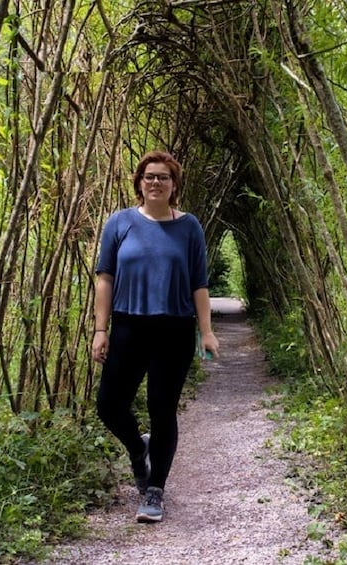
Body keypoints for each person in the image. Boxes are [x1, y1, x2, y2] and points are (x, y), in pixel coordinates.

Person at [92, 150, 220, 523]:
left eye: (163, 177)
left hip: (174, 329)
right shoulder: (119, 223)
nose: (155, 183)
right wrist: (101, 330)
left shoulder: (189, 226)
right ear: (139, 182)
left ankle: (154, 491)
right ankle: (138, 447)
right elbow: (105, 279)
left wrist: (207, 332)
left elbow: (199, 284)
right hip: (128, 325)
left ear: (174, 185)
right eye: (149, 176)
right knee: (109, 405)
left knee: (162, 411)